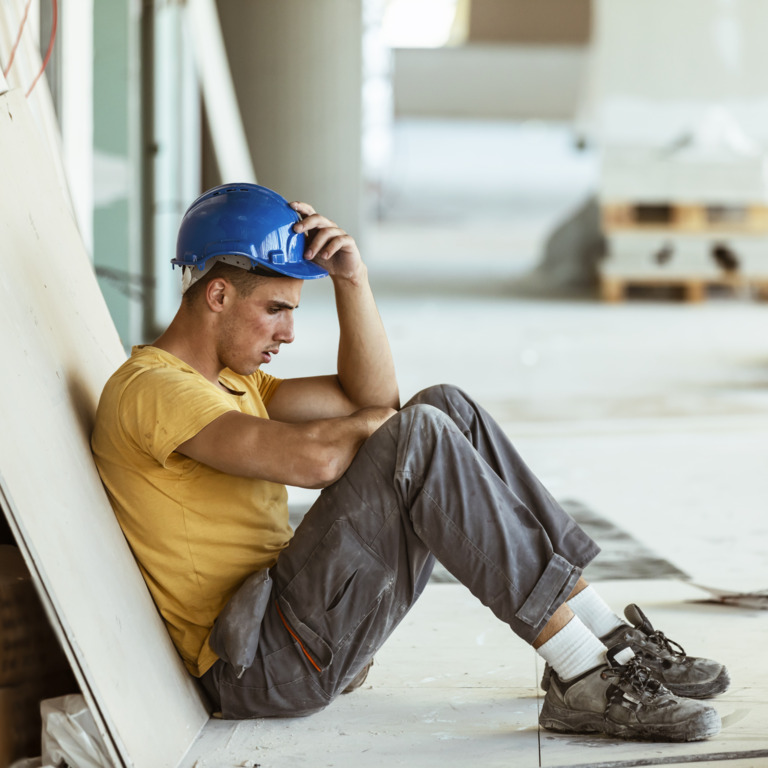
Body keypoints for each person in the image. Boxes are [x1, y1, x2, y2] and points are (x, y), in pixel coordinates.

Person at [92, 183, 729, 743]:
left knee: (443, 407)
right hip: (256, 666)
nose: (287, 333)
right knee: (419, 432)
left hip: (299, 633)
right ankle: (584, 674)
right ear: (219, 294)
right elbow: (315, 460)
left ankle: (604, 636)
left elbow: (375, 401)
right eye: (276, 309)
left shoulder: (237, 386)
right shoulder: (152, 389)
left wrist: (353, 280)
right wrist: (394, 428)